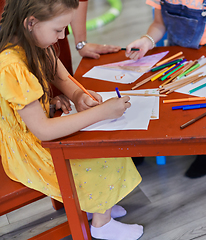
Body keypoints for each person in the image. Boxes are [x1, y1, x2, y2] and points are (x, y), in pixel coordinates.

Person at [0, 1, 143, 239]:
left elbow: (59, 74)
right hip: (29, 148)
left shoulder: (33, 38)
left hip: (38, 128)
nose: (59, 38)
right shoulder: (10, 65)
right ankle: (102, 223)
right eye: (58, 30)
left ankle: (97, 205)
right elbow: (43, 131)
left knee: (105, 141)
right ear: (31, 22)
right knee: (101, 153)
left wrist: (77, 95)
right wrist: (101, 113)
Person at [125, 0, 206, 178]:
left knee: (205, 106)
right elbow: (158, 24)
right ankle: (147, 146)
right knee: (164, 99)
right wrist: (147, 40)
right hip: (178, 56)